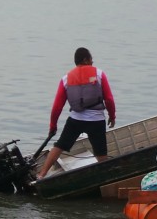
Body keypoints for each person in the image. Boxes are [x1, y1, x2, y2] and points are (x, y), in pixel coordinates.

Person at [37, 47, 116, 180]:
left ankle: (41, 174)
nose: (92, 62)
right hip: (96, 121)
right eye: (91, 60)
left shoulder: (66, 78)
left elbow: (57, 106)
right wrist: (112, 116)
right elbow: (109, 99)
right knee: (101, 153)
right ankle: (105, 178)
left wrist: (53, 125)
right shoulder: (99, 74)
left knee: (59, 146)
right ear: (85, 60)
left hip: (75, 120)